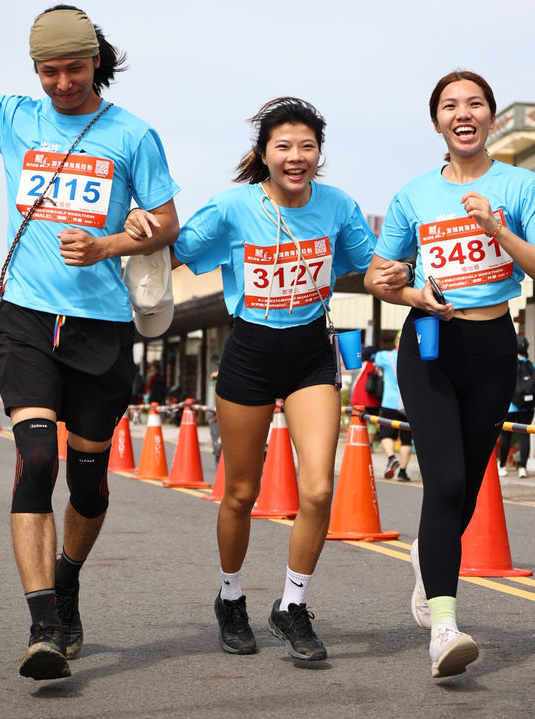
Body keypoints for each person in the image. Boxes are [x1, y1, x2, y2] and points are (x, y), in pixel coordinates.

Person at [0, 0, 180, 681]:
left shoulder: (132, 134)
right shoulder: (14, 118)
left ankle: (67, 580)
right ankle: (43, 628)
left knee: (89, 486)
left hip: (100, 328)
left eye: (74, 68)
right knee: (35, 461)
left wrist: (110, 244)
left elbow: (165, 224)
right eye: (48, 71)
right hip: (27, 318)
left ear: (97, 61)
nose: (61, 82)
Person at [127, 97, 376, 662]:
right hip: (249, 355)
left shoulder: (338, 207)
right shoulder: (232, 207)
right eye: (283, 146)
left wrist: (422, 275)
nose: (296, 156)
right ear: (263, 154)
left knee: (318, 489)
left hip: (311, 355)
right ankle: (231, 597)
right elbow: (171, 250)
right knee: (241, 493)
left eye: (307, 146)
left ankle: (292, 605)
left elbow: (373, 265)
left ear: (319, 153)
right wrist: (137, 224)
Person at [364, 70, 535, 679]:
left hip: (493, 346)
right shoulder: (414, 195)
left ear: (491, 119)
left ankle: (428, 559)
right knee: (446, 481)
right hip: (429, 344)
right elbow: (378, 275)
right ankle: (444, 629)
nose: (463, 113)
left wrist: (497, 229)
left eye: (475, 104)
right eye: (450, 105)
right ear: (437, 123)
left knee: (468, 490)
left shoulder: (523, 186)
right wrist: (410, 292)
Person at [372, 334, 413, 481]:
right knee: (406, 440)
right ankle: (402, 472)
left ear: (396, 341)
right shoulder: (415, 359)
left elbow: (374, 359)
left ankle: (391, 458)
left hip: (390, 402)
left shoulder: (386, 356)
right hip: (409, 404)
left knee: (385, 434)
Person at [498, 334, 535, 478]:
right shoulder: (532, 366)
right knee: (524, 436)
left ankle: (502, 466)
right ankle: (522, 468)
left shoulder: (508, 364)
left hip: (510, 406)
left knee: (505, 436)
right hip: (527, 407)